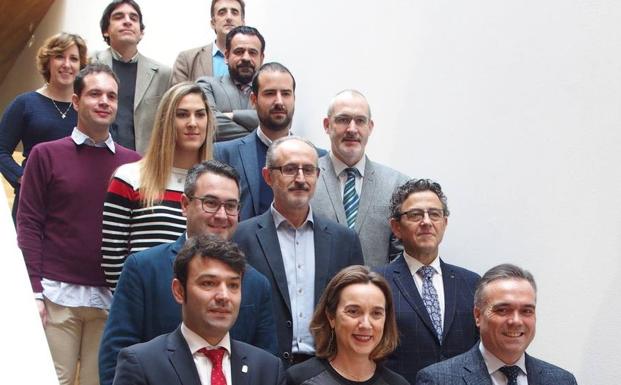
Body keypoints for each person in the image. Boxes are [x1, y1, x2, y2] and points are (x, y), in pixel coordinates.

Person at [99, 160, 278, 385]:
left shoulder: (256, 282)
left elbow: (265, 365)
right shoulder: (143, 268)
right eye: (210, 203)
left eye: (231, 206)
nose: (222, 215)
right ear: (185, 204)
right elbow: (115, 356)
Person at [17, 63, 141, 385]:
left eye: (111, 96)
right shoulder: (45, 155)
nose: (104, 101)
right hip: (56, 294)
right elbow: (29, 225)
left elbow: (134, 233)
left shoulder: (135, 163)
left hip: (110, 299)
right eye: (95, 93)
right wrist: (33, 292)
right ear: (75, 101)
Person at [233, 136, 364, 365]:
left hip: (327, 368)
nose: (301, 179)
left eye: (309, 170)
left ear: (318, 176)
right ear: (268, 176)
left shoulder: (345, 240)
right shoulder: (240, 238)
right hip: (261, 366)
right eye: (290, 169)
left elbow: (355, 306)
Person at [112, 234, 285, 385]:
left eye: (233, 285)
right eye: (208, 283)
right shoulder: (143, 364)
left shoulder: (268, 369)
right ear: (179, 291)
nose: (223, 296)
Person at [101, 82, 214, 290]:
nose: (192, 123)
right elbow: (112, 258)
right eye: (182, 115)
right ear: (166, 121)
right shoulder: (129, 178)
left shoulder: (216, 186)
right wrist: (131, 305)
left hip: (200, 308)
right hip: (142, 305)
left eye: (200, 114)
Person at [375, 179, 480, 384]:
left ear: (445, 223)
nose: (426, 222)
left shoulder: (472, 283)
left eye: (434, 214)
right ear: (396, 227)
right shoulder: (377, 283)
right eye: (415, 215)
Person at [416, 264, 578, 385]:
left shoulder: (561, 380)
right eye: (502, 310)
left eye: (526, 311)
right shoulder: (438, 380)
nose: (516, 321)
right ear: (478, 316)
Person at [215, 62, 325, 220]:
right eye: (270, 93)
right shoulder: (224, 155)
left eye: (286, 94)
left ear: (294, 99)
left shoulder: (320, 158)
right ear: (253, 99)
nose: (279, 101)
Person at [311, 90, 409, 267]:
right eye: (343, 120)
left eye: (360, 121)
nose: (352, 129)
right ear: (327, 125)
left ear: (370, 127)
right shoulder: (305, 179)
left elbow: (402, 256)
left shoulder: (397, 184)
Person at [0, 32, 87, 224]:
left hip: (74, 205)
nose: (66, 64)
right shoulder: (25, 103)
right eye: (59, 57)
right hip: (32, 202)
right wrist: (22, 178)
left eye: (73, 58)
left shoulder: (86, 107)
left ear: (81, 66)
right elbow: (1, 149)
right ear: (48, 62)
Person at [286, 265, 409, 385]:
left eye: (376, 313)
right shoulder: (300, 378)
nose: (365, 325)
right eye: (353, 311)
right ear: (331, 317)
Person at [91, 0, 171, 154]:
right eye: (119, 17)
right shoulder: (88, 65)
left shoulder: (163, 74)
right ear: (105, 31)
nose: (127, 21)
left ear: (141, 32)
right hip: (95, 156)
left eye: (133, 18)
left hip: (143, 164)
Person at [197, 25, 265, 141]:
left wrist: (232, 115)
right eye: (239, 51)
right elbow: (208, 126)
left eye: (252, 52)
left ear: (261, 58)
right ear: (227, 56)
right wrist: (263, 130)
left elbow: (281, 122)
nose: (246, 58)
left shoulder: (271, 90)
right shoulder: (206, 86)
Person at [171, 0, 245, 84]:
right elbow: (177, 96)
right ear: (213, 23)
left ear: (243, 22)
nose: (229, 17)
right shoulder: (187, 60)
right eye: (222, 12)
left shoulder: (253, 61)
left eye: (234, 12)